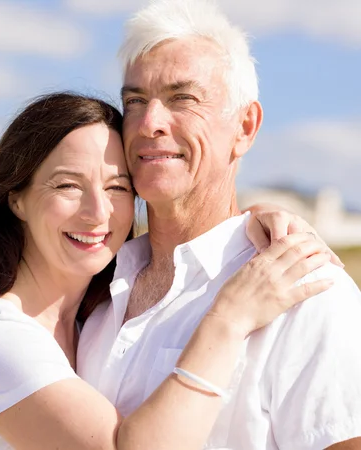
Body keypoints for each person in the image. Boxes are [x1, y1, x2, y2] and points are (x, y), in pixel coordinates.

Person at [0, 92, 335, 450]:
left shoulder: (95, 318)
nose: (97, 213)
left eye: (116, 187)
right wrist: (230, 318)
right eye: (68, 185)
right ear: (17, 198)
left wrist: (253, 218)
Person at [77, 1, 361, 449]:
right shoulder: (91, 286)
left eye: (182, 98)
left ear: (245, 127)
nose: (149, 123)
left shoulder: (306, 288)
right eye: (134, 101)